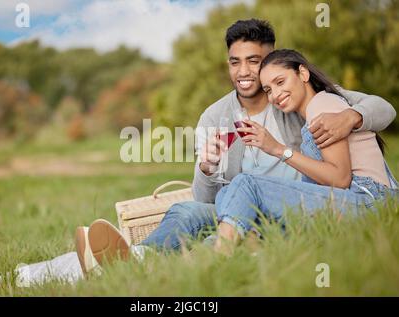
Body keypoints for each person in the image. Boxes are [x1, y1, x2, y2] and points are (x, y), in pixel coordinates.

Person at [76, 19, 396, 270]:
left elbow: (384, 108)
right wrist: (206, 168)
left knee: (240, 197)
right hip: (242, 209)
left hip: (300, 205)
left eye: (254, 61)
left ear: (271, 60)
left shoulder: (295, 95)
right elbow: (205, 198)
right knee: (186, 211)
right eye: (234, 62)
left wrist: (353, 116)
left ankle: (209, 257)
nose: (243, 72)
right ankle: (137, 258)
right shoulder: (215, 116)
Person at [212, 48, 398, 254]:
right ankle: (250, 244)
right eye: (268, 90)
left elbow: (341, 178)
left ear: (303, 74)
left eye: (280, 82)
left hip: (368, 202)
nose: (275, 95)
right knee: (227, 193)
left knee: (246, 183)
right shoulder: (312, 111)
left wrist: (278, 149)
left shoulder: (321, 104)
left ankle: (222, 255)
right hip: (348, 203)